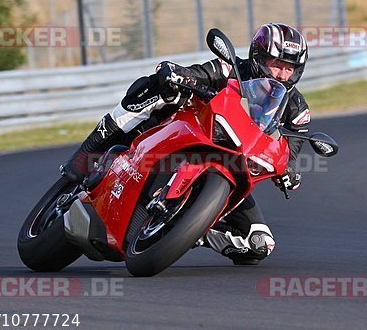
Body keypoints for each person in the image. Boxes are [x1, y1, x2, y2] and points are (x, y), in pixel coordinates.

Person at [60, 23, 311, 265]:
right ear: (258, 57)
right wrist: (180, 76)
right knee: (155, 88)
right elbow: (199, 74)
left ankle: (194, 228)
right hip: (194, 134)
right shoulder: (230, 69)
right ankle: (91, 149)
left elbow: (291, 147)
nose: (282, 74)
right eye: (277, 65)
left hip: (233, 166)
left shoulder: (296, 108)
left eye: (289, 69)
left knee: (260, 244)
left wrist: (288, 169)